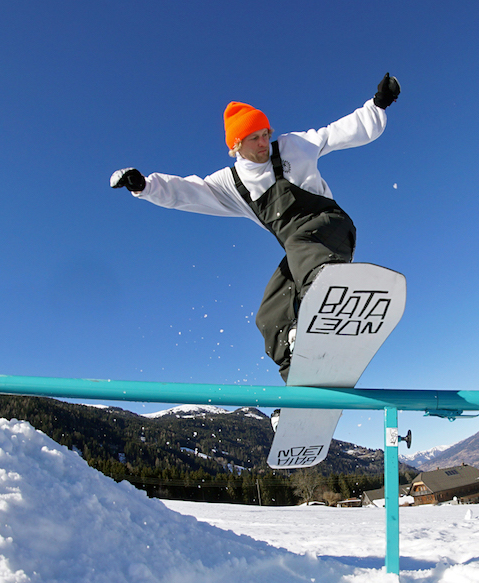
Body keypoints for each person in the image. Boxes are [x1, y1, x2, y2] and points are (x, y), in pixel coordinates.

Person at [111, 73, 401, 381]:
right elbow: (187, 191)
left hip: (331, 230)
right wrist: (145, 186)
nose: (264, 143)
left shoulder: (292, 147)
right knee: (270, 314)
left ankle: (327, 296)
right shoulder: (231, 184)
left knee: (300, 245)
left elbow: (335, 134)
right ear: (236, 144)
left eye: (265, 134)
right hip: (302, 255)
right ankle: (301, 376)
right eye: (254, 138)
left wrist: (378, 105)